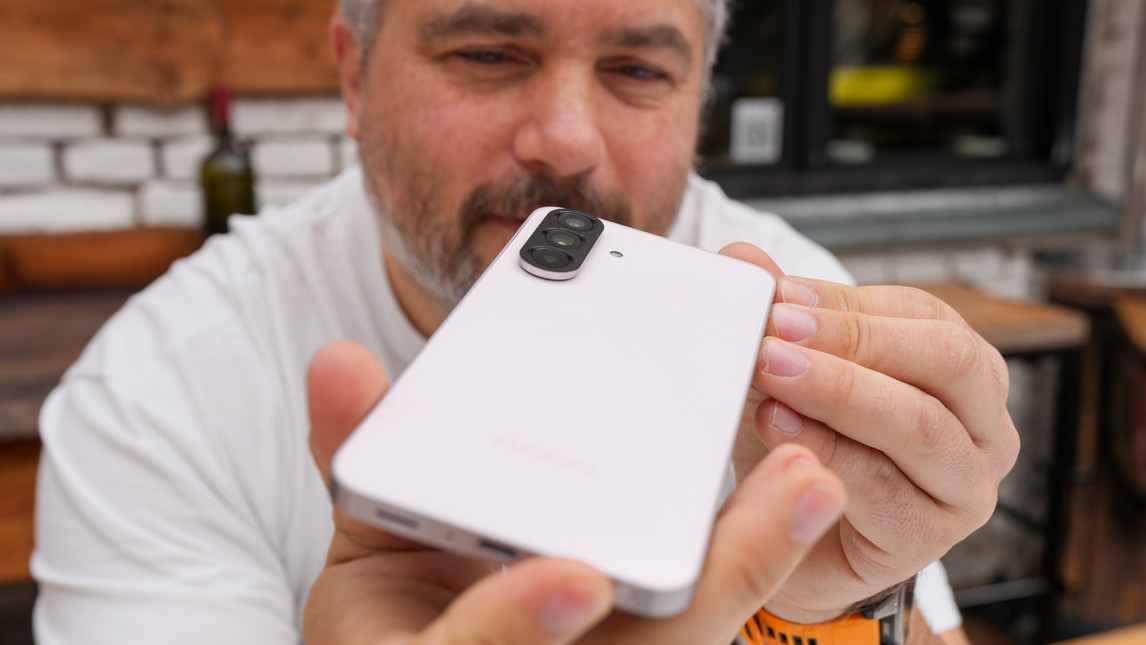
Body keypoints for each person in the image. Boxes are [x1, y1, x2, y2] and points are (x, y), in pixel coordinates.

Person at [32, 0, 1018, 643]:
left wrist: (821, 606)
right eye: (490, 54)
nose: (566, 142)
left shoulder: (784, 308)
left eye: (638, 71)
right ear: (354, 77)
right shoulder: (163, 390)